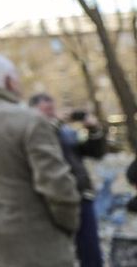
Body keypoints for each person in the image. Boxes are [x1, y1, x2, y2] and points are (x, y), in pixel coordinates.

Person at [0, 54, 80, 267]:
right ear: (9, 81)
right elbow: (57, 186)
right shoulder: (29, 121)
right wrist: (69, 224)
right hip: (34, 243)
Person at [30, 93, 106, 267]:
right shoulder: (31, 133)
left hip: (81, 196)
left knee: (91, 252)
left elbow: (96, 153)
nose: (52, 114)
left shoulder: (66, 132)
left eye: (53, 110)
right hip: (51, 203)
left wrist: (94, 130)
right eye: (46, 111)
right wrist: (56, 123)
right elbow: (43, 143)